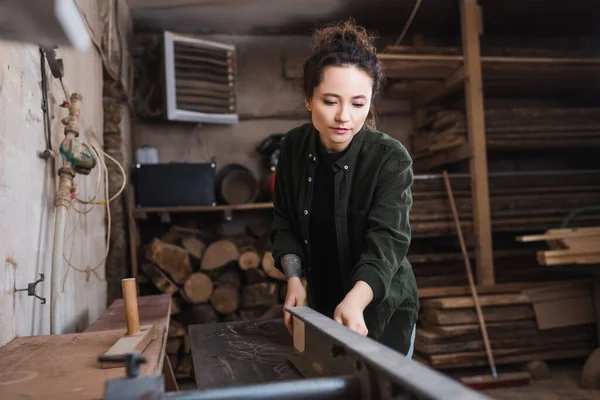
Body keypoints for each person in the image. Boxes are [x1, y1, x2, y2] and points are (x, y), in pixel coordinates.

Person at [270, 19, 419, 357]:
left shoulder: (390, 159)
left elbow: (388, 242)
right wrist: (294, 279)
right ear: (309, 99)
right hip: (322, 303)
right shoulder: (293, 148)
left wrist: (357, 298)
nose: (344, 117)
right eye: (330, 101)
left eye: (357, 103)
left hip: (380, 308)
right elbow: (284, 224)